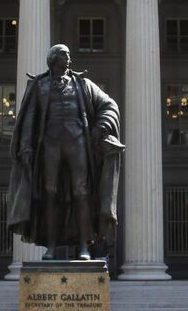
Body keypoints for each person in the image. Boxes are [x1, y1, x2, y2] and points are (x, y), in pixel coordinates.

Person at [7, 44, 122, 259]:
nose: (69, 58)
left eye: (69, 54)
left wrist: (99, 129)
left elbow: (109, 105)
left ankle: (84, 246)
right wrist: (25, 146)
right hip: (49, 143)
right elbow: (28, 118)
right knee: (49, 193)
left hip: (78, 141)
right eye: (64, 54)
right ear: (53, 58)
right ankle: (50, 247)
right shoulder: (38, 86)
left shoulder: (83, 84)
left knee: (82, 192)